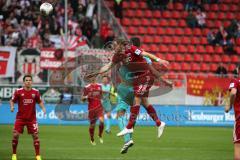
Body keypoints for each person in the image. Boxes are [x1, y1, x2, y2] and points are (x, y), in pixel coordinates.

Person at [87, 38, 169, 138]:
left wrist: (159, 60)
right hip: (137, 79)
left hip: (146, 75)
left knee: (137, 98)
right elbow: (108, 66)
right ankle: (159, 123)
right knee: (144, 102)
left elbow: (146, 54)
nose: (113, 47)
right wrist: (97, 74)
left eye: (115, 45)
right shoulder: (117, 56)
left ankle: (129, 127)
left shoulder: (131, 49)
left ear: (121, 45)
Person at [9, 74, 46, 160]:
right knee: (15, 135)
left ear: (32, 82)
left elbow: (39, 101)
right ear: (24, 82)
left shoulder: (35, 92)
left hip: (31, 118)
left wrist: (43, 108)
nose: (28, 82)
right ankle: (14, 154)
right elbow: (12, 100)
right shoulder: (18, 91)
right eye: (26, 80)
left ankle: (38, 156)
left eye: (30, 80)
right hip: (20, 118)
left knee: (35, 136)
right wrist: (12, 106)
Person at [82, 76, 104, 145]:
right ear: (89, 78)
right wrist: (86, 97)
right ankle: (92, 138)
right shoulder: (87, 87)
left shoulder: (100, 86)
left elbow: (102, 96)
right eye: (91, 77)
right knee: (92, 125)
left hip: (99, 108)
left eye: (94, 76)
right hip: (91, 109)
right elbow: (82, 99)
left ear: (96, 78)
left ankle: (100, 135)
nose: (93, 78)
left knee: (101, 121)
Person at [225, 73, 240, 160]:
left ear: (238, 70)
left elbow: (233, 93)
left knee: (238, 146)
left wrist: (230, 105)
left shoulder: (236, 81)